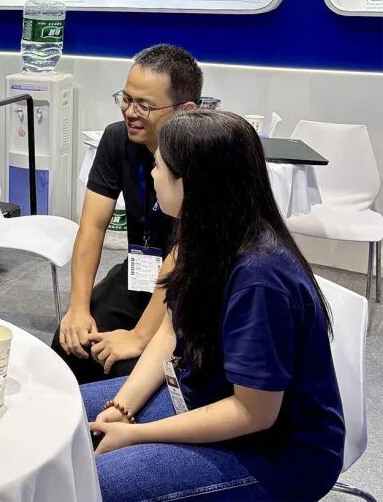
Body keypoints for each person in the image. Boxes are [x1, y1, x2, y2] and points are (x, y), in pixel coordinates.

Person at [84, 111, 344, 502]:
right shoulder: (204, 232)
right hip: (202, 396)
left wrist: (136, 434)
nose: (153, 174)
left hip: (277, 453)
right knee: (63, 415)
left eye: (159, 166)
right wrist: (123, 407)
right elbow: (170, 331)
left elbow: (254, 413)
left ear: (191, 183)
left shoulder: (259, 279)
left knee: (96, 481)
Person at [53, 44, 202, 383]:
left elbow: (183, 257)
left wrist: (139, 336)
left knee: (130, 371)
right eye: (126, 99)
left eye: (144, 105)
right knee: (71, 345)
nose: (130, 112)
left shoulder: (204, 152)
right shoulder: (116, 139)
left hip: (189, 289)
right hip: (140, 272)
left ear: (185, 110)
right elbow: (92, 226)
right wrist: (78, 307)